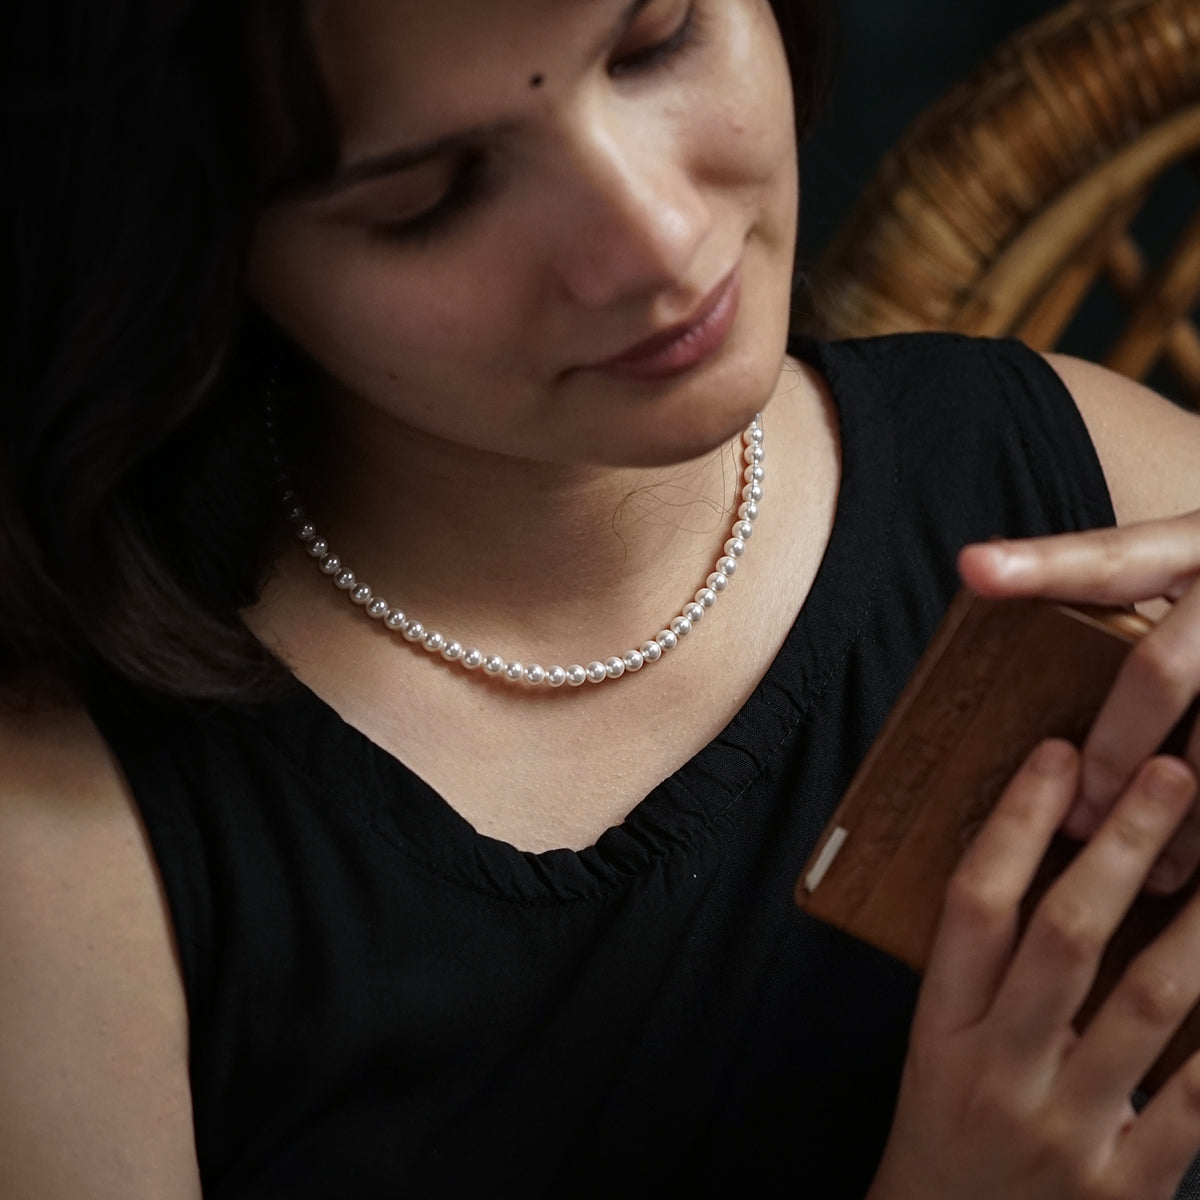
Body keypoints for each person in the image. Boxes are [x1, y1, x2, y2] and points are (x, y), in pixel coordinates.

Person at [6, 0, 1200, 1196]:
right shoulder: (66, 847)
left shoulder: (1098, 484)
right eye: (431, 196)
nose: (660, 238)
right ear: (198, 246)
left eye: (659, 41)